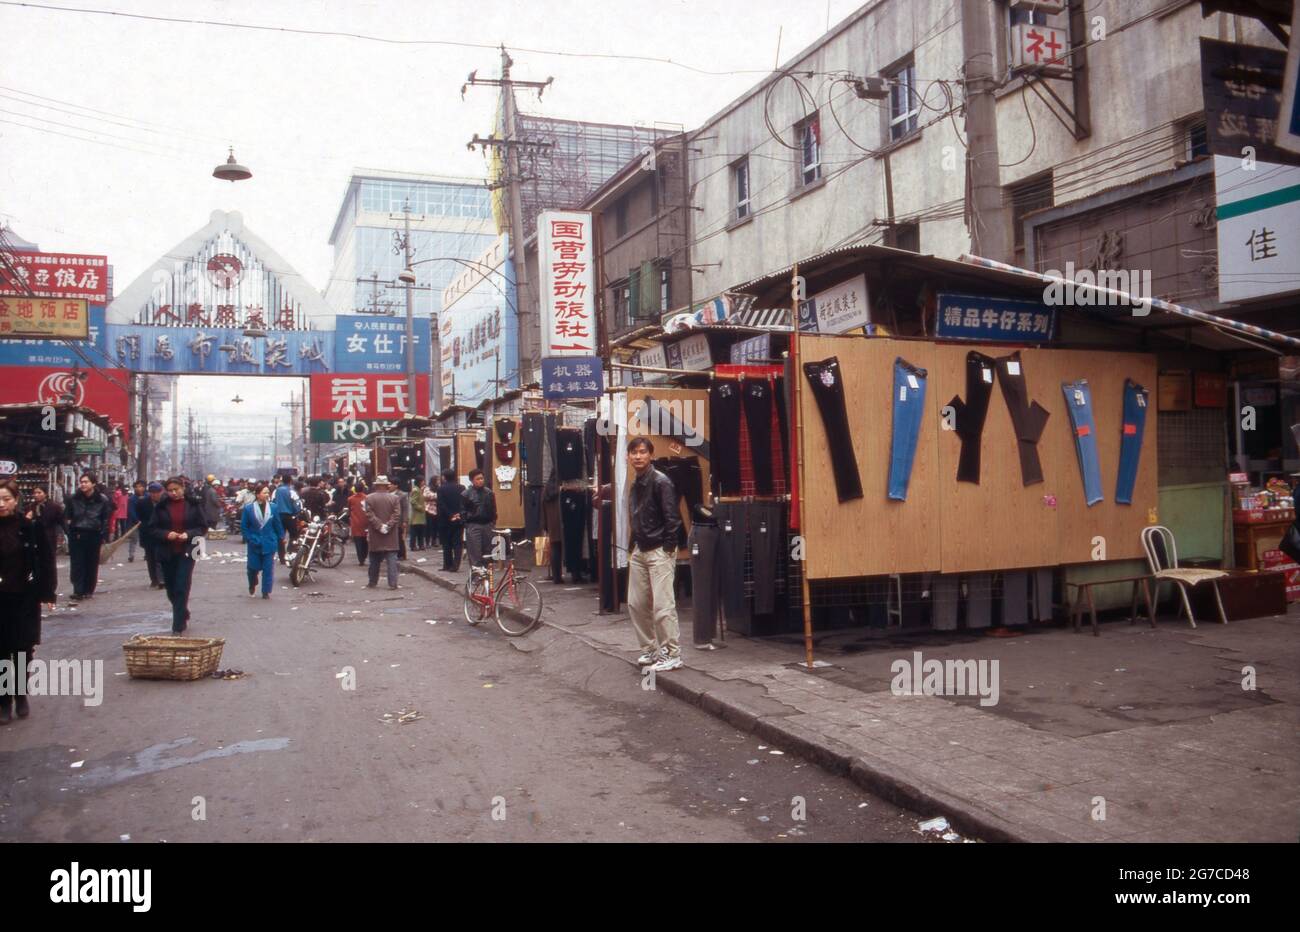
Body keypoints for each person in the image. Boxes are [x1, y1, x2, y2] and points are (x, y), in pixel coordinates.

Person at [0, 480, 56, 723]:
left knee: (22, 650)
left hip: (24, 597)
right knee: (1, 651)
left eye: (6, 499)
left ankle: (20, 694)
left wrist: (48, 593)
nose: (1, 504)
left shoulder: (30, 527)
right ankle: (3, 702)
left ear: (16, 500)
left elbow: (46, 560)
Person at [625, 437, 683, 673]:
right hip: (641, 549)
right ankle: (650, 649)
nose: (638, 456)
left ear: (650, 455)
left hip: (659, 548)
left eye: (642, 452)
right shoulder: (636, 483)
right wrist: (634, 545)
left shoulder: (661, 482)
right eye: (634, 453)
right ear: (628, 457)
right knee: (636, 603)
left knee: (662, 606)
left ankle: (672, 653)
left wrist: (668, 547)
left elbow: (673, 518)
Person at [149, 477, 207, 634]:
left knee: (182, 584)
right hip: (167, 551)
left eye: (176, 489)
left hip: (188, 550)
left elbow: (202, 527)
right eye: (170, 490)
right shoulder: (161, 507)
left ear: (183, 488)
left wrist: (188, 534)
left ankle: (178, 625)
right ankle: (183, 611)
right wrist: (167, 534)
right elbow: (153, 529)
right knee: (171, 587)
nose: (173, 493)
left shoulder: (193, 504)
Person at [65, 472, 112, 601]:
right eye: (82, 482)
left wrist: (104, 534)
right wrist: (70, 529)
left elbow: (105, 518)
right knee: (77, 563)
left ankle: (88, 589)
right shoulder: (73, 499)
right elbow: (68, 516)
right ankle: (78, 590)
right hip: (77, 534)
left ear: (93, 483)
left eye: (86, 482)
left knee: (91, 563)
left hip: (94, 534)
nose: (83, 484)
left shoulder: (102, 499)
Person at [240, 483, 283, 599]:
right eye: (264, 492)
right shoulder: (249, 509)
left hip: (269, 542)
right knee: (252, 568)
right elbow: (244, 527)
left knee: (268, 569)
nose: (267, 494)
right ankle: (252, 583)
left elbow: (277, 524)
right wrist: (249, 538)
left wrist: (281, 537)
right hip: (254, 542)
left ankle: (266, 591)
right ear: (258, 494)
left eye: (268, 492)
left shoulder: (273, 507)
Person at [364, 476, 402, 589]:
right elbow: (397, 515)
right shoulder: (394, 498)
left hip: (375, 534)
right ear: (387, 485)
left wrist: (379, 526)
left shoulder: (369, 498)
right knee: (392, 560)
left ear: (376, 485)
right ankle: (393, 584)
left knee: (374, 559)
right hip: (391, 535)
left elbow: (369, 514)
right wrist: (388, 525)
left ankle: (372, 582)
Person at [24, 487, 64, 593]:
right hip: (34, 539)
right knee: (36, 562)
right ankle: (38, 586)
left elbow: (61, 522)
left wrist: (62, 535)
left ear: (45, 494)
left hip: (49, 538)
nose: (36, 495)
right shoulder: (30, 507)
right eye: (35, 493)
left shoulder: (54, 507)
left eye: (39, 492)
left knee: (49, 563)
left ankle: (50, 587)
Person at [462, 468, 496, 572]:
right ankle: (476, 575)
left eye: (482, 478)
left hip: (487, 524)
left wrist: (493, 522)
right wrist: (467, 523)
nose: (481, 480)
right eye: (478, 479)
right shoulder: (466, 494)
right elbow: (462, 511)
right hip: (473, 524)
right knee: (475, 551)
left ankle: (487, 574)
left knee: (488, 551)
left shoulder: (489, 493)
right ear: (472, 480)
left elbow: (493, 509)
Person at [136, 482, 165, 589]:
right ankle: (154, 579)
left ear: (161, 492)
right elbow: (140, 517)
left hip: (162, 534)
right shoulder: (142, 503)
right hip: (148, 535)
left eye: (157, 492)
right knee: (151, 558)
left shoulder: (165, 502)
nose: (154, 495)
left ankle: (162, 578)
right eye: (152, 493)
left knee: (160, 557)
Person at [436, 469, 464, 571]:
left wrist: (450, 515)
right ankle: (456, 565)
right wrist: (458, 514)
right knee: (457, 543)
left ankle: (447, 564)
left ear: (445, 477)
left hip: (445, 520)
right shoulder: (462, 488)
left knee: (446, 543)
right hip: (459, 519)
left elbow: (441, 504)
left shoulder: (441, 489)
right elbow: (463, 503)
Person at [273, 476, 302, 565]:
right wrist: (296, 513)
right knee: (294, 535)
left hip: (278, 516)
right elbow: (297, 504)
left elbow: (273, 502)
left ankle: (282, 557)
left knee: (280, 536)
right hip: (290, 517)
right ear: (290, 481)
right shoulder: (291, 491)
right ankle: (290, 553)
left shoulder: (276, 491)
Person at [125, 480, 148, 563]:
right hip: (134, 522)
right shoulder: (132, 499)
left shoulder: (148, 497)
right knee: (133, 539)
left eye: (141, 486)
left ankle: (147, 554)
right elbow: (131, 511)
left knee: (146, 538)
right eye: (137, 487)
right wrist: (137, 520)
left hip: (146, 521)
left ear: (144, 487)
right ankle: (131, 555)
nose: (139, 488)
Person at [347, 481, 369, 565]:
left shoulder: (350, 499)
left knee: (358, 541)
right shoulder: (367, 498)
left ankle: (361, 559)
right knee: (365, 541)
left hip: (355, 522)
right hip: (365, 522)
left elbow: (349, 509)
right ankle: (364, 556)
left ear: (355, 489)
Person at [409, 477, 427, 552]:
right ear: (419, 481)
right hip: (416, 515)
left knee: (421, 531)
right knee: (415, 532)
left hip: (420, 515)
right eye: (423, 481)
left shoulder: (419, 490)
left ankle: (421, 545)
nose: (424, 482)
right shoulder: (416, 490)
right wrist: (420, 507)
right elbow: (413, 501)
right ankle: (413, 546)